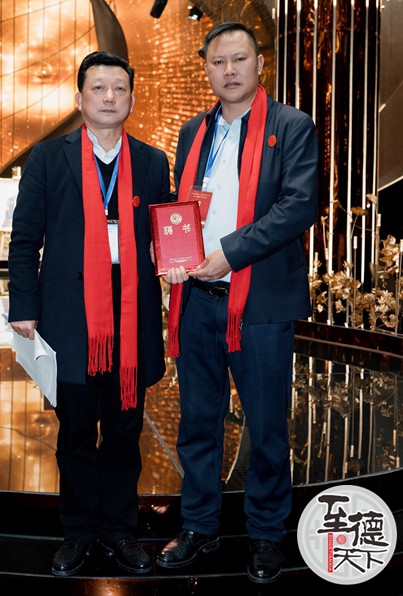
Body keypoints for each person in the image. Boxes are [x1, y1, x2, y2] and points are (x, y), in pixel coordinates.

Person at [156, 22, 318, 584]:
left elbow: (298, 206)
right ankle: (199, 526)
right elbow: (183, 207)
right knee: (198, 422)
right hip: (197, 299)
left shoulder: (291, 126)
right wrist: (170, 250)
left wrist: (229, 253)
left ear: (259, 64)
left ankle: (267, 534)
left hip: (261, 303)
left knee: (266, 425)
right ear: (206, 67)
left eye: (239, 59)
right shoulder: (192, 131)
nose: (229, 70)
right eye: (218, 61)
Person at [8, 51, 170, 577]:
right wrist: (23, 306)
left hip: (131, 313)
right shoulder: (47, 158)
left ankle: (120, 531)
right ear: (79, 99)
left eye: (118, 89)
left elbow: (164, 236)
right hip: (69, 317)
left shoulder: (151, 162)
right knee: (76, 431)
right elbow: (25, 239)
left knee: (124, 430)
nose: (108, 97)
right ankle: (77, 533)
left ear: (131, 99)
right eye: (98, 88)